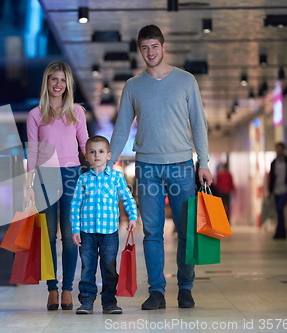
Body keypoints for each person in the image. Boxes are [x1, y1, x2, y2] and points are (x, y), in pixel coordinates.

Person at [108, 24, 213, 310]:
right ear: (140, 51)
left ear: (164, 47)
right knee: (151, 232)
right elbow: (120, 129)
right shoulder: (133, 86)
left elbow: (199, 124)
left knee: (186, 231)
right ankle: (156, 291)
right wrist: (105, 164)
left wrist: (203, 162)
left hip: (181, 165)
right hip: (147, 166)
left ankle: (186, 288)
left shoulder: (186, 80)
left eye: (154, 46)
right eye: (145, 48)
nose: (150, 52)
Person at [25, 61, 89, 310]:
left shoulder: (76, 112)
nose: (58, 85)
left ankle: (67, 290)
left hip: (72, 174)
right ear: (47, 82)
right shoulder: (35, 115)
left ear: (68, 84)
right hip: (45, 176)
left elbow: (84, 143)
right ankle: (52, 289)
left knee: (71, 237)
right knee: (48, 236)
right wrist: (29, 182)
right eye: (54, 80)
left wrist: (98, 167)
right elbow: (33, 149)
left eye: (63, 80)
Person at [71, 136, 138, 314]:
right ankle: (86, 300)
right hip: (86, 232)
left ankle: (109, 301)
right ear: (86, 156)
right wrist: (75, 229)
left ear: (108, 155)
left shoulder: (116, 177)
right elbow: (75, 205)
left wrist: (133, 216)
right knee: (87, 267)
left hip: (109, 232)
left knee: (109, 266)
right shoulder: (83, 180)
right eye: (92, 152)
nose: (97, 155)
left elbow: (127, 198)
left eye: (101, 151)